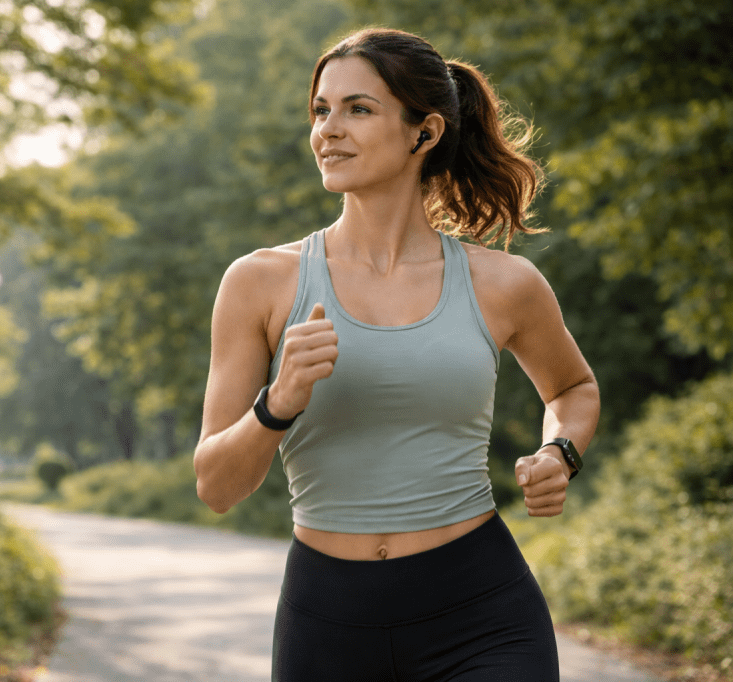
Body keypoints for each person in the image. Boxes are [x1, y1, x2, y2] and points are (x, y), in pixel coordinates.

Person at [193, 27, 600, 682]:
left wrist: (561, 451)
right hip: (327, 624)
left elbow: (572, 388)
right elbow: (216, 486)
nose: (329, 129)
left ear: (425, 132)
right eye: (321, 110)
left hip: (481, 612)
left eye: (359, 109)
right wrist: (277, 403)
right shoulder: (261, 283)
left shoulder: (503, 284)